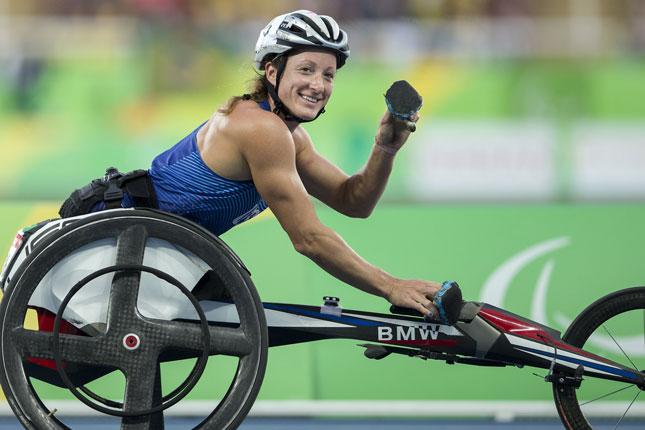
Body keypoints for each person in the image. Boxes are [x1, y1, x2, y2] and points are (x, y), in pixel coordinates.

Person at [63, 10, 449, 321]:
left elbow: (354, 201)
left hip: (156, 253)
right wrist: (391, 286)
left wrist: (385, 148)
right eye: (307, 69)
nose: (319, 84)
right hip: (113, 244)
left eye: (328, 74)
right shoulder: (261, 129)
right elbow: (309, 239)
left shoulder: (290, 137)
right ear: (271, 71)